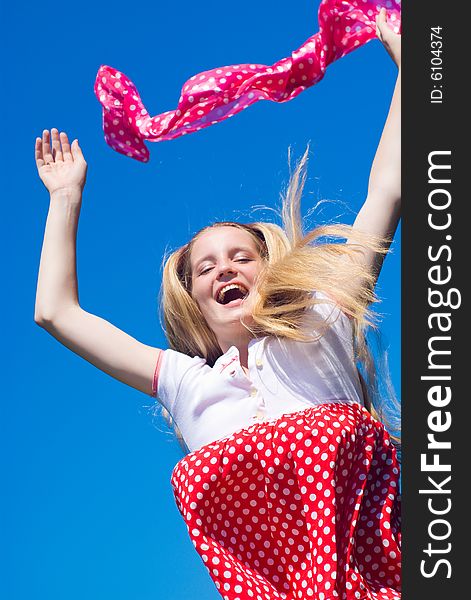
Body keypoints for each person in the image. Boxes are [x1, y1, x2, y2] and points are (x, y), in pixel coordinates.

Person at [34, 9, 401, 600]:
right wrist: (65, 197)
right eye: (205, 267)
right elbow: (57, 312)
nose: (224, 270)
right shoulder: (185, 383)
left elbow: (387, 190)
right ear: (193, 298)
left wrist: (417, 72)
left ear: (270, 268)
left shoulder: (322, 321)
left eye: (240, 257)